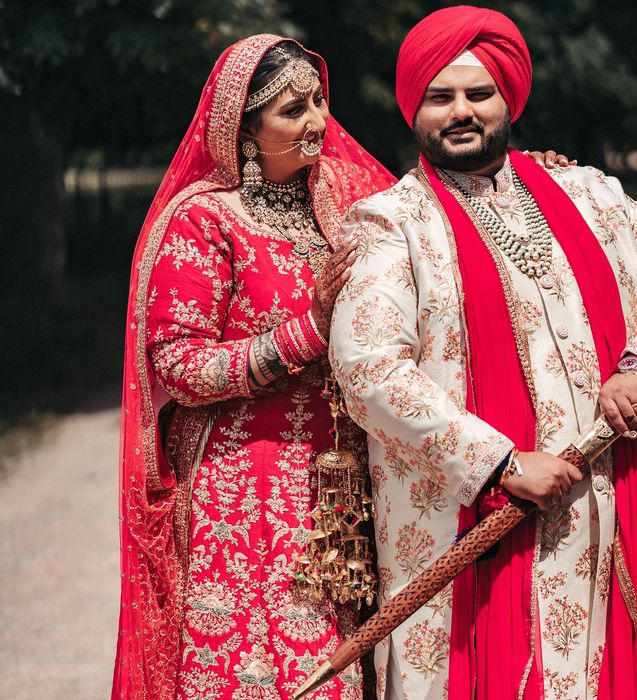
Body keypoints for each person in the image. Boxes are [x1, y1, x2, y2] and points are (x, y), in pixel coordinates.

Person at [112, 32, 566, 699]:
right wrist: (306, 332)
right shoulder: (206, 220)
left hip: (349, 476)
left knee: (351, 657)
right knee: (270, 668)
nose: (318, 121)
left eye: (319, 101)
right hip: (246, 490)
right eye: (292, 110)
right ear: (244, 128)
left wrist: (516, 178)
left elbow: (438, 213)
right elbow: (177, 365)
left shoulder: (345, 198)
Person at [329, 7, 637, 700]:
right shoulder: (394, 224)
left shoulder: (592, 195)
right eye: (439, 97)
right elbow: (368, 368)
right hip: (474, 519)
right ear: (413, 107)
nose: (460, 112)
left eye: (478, 94)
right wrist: (500, 464)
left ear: (509, 97)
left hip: (610, 502)